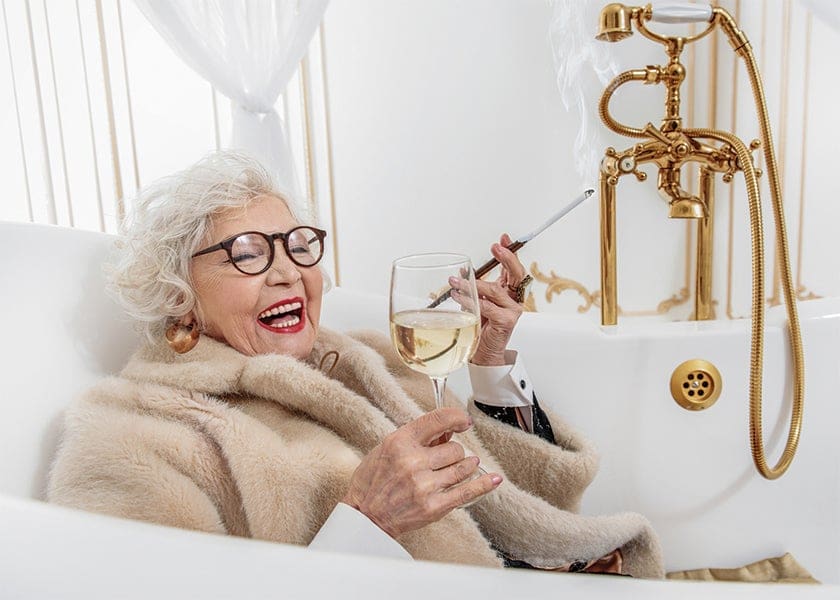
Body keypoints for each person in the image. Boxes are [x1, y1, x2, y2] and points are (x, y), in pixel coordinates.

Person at [47, 151, 664, 577]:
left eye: (297, 245)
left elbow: (519, 510)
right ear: (177, 290)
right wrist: (366, 523)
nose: (288, 271)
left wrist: (490, 362)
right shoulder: (126, 436)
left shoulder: (360, 360)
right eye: (246, 254)